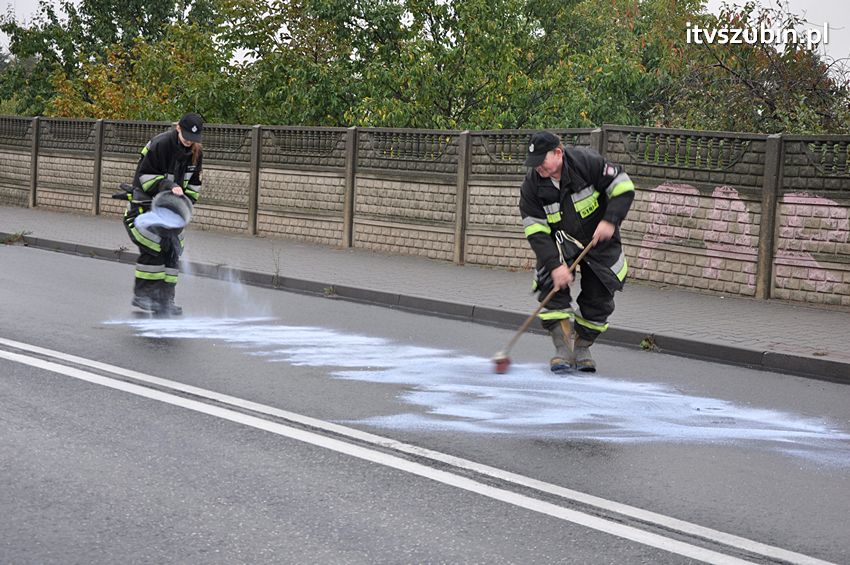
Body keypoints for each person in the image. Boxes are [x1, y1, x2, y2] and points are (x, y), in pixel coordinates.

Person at [520, 131, 634, 373]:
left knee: (599, 296)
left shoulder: (587, 163)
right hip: (560, 243)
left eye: (542, 160)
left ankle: (582, 347)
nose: (537, 167)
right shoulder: (532, 184)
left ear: (558, 153)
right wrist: (554, 265)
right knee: (550, 286)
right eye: (534, 162)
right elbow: (536, 231)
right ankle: (562, 349)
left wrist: (611, 219)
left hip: (599, 241)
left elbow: (623, 186)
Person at [122, 112, 204, 316]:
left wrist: (185, 205)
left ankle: (165, 299)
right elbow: (145, 177)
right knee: (156, 246)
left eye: (193, 139)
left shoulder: (196, 153)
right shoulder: (160, 144)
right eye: (186, 136)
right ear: (178, 129)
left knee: (175, 249)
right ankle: (143, 296)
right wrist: (169, 186)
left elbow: (194, 186)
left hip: (169, 214)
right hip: (143, 211)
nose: (189, 142)